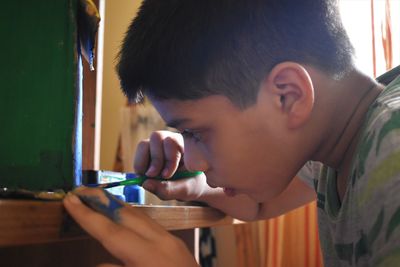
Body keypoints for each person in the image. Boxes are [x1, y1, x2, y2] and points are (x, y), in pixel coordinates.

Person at [63, 0, 400, 266]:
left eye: (196, 133)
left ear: (288, 95)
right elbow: (258, 203)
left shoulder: (392, 149)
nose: (193, 156)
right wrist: (197, 184)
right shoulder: (338, 138)